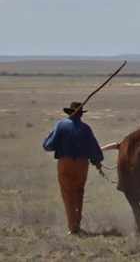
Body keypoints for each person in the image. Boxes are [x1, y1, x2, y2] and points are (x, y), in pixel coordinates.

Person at [43, 101, 104, 236]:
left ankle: (73, 227)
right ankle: (77, 222)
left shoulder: (61, 125)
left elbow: (48, 145)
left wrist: (49, 136)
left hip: (65, 162)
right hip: (82, 164)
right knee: (79, 192)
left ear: (69, 113)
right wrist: (97, 162)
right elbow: (95, 149)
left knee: (68, 194)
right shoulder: (86, 128)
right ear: (81, 115)